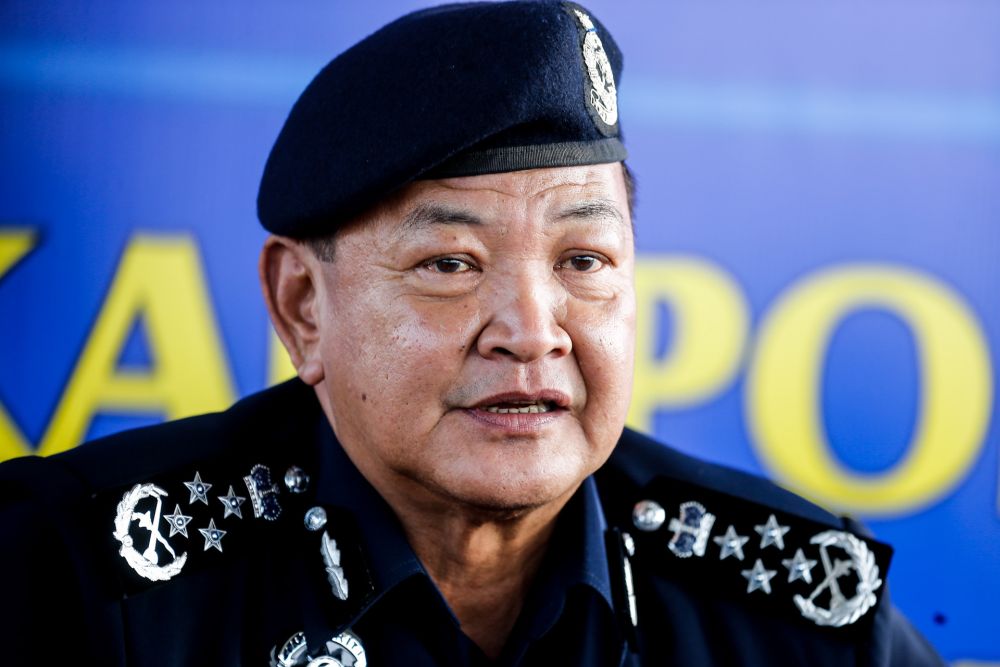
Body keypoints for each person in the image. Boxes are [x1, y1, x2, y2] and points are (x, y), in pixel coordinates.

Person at [0, 2, 945, 665]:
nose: (533, 334)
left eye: (584, 262)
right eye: (450, 265)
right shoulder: (81, 580)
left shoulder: (790, 605)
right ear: (301, 306)